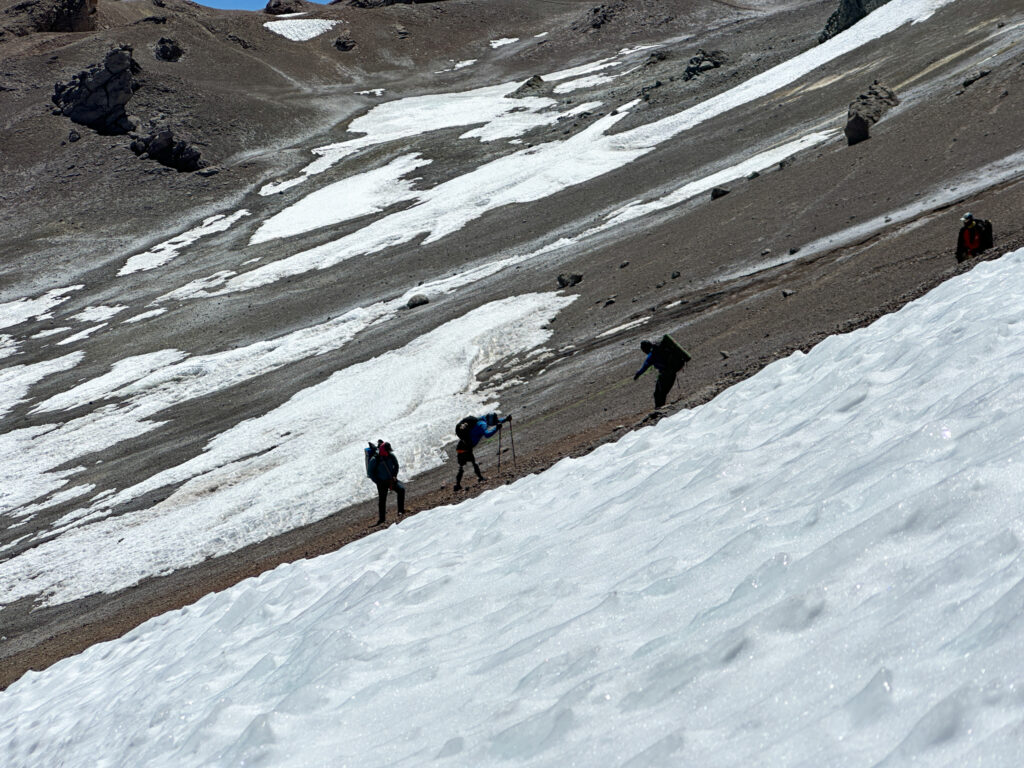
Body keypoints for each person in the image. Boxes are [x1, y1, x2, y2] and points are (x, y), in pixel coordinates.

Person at [453, 412, 509, 491]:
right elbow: (487, 434)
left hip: (462, 446)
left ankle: (458, 485)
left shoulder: (481, 419)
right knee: (471, 464)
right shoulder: (483, 424)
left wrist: (505, 419)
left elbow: (495, 421)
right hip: (466, 448)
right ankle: (479, 478)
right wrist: (496, 428)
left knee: (463, 466)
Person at [634, 337, 689, 410]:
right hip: (672, 373)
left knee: (659, 394)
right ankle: (660, 409)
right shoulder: (660, 348)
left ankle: (660, 410)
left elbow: (645, 366)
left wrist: (637, 375)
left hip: (665, 375)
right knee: (662, 393)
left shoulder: (652, 355)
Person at [367, 440, 405, 525]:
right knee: (382, 500)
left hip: (391, 480)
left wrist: (395, 475)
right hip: (381, 482)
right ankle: (382, 519)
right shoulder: (374, 459)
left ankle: (401, 511)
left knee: (401, 490)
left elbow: (396, 465)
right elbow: (370, 473)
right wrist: (377, 481)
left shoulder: (390, 456)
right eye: (388, 450)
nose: (389, 452)